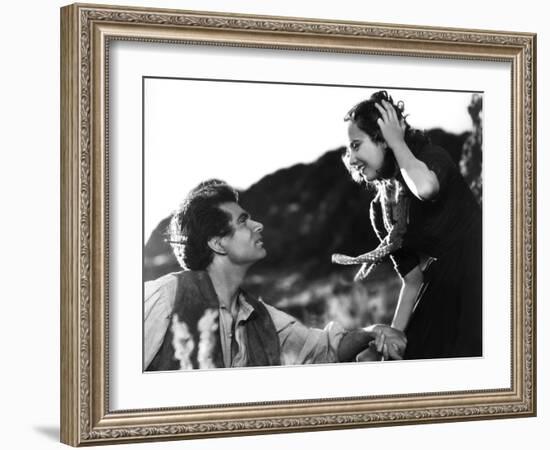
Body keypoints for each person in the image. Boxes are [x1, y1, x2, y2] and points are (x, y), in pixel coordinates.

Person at [145, 179, 405, 370]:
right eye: (242, 221)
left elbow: (324, 350)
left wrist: (371, 332)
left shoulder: (262, 319)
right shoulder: (164, 297)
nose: (258, 225)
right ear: (218, 243)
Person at [333, 90, 482, 360]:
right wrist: (392, 338)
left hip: (485, 276)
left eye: (356, 145)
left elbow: (425, 188)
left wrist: (397, 142)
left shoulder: (431, 158)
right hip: (442, 291)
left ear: (383, 139)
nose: (351, 159)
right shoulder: (381, 211)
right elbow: (412, 281)